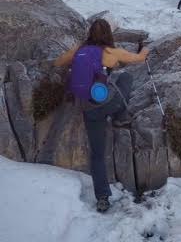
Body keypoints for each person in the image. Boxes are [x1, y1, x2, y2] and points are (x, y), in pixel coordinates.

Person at [53, 19, 149, 213]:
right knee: (125, 77)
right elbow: (139, 59)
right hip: (109, 104)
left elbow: (57, 62)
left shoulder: (79, 50)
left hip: (88, 109)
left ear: (90, 33)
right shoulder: (111, 53)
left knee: (97, 155)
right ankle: (120, 116)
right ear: (108, 34)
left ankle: (103, 198)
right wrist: (145, 50)